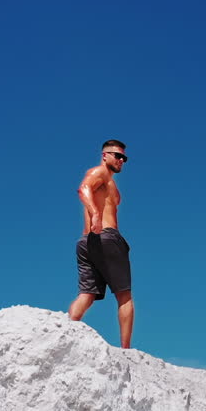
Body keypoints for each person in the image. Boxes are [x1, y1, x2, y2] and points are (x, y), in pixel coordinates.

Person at [68, 139, 134, 348]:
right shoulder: (100, 173)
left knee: (87, 294)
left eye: (124, 158)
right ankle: (126, 351)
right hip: (106, 238)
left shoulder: (109, 181)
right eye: (117, 155)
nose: (121, 160)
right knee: (124, 296)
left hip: (86, 242)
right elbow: (84, 188)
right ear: (105, 155)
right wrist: (95, 213)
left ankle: (65, 331)